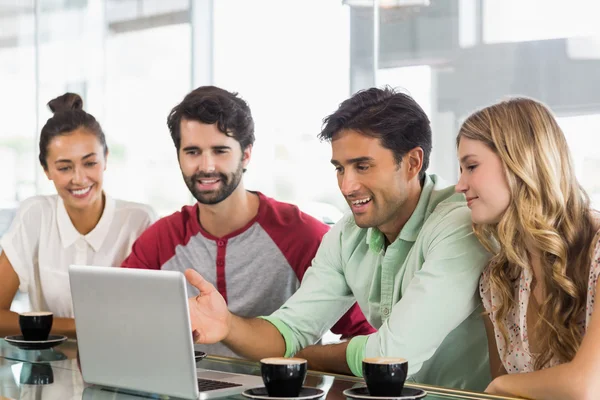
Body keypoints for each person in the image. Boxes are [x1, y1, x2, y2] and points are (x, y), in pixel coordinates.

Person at [183, 86, 492, 391]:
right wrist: (226, 324)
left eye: (363, 166)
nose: (347, 186)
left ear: (412, 163)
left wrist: (302, 357)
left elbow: (391, 356)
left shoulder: (460, 224)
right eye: (340, 169)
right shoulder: (347, 235)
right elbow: (288, 331)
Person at [120, 86, 375, 358]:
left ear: (247, 154)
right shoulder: (161, 238)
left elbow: (365, 336)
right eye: (192, 152)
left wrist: (304, 366)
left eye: (220, 151)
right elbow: (117, 320)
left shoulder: (302, 234)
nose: (206, 166)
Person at [456, 97, 600, 400]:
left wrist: (499, 386)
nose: (460, 185)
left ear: (519, 161)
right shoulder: (499, 279)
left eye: (471, 166)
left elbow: (585, 387)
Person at [0, 93, 156, 338]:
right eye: (64, 167)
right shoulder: (36, 214)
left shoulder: (139, 221)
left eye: (90, 163)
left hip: (123, 368)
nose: (79, 178)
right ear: (46, 170)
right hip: (50, 367)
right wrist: (78, 327)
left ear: (105, 159)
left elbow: (154, 317)